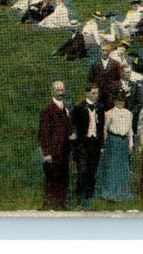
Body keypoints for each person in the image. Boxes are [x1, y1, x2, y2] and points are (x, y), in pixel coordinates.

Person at [95, 90, 134, 202]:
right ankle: (111, 192)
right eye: (118, 100)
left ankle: (123, 192)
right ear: (114, 101)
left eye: (122, 100)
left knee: (124, 167)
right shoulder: (109, 113)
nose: (120, 102)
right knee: (113, 167)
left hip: (124, 141)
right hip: (113, 141)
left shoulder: (128, 113)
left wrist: (130, 144)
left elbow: (130, 130)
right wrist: (104, 144)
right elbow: (105, 130)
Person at [38, 81, 71, 209]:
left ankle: (62, 202)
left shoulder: (66, 108)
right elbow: (43, 133)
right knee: (52, 177)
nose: (61, 93)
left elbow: (67, 127)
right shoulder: (48, 110)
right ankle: (50, 203)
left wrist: (71, 134)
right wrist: (46, 153)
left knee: (64, 176)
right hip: (53, 151)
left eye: (62, 90)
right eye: (58, 90)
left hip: (65, 150)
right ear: (52, 91)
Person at [70, 85, 105, 208]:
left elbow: (101, 128)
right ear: (87, 94)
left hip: (95, 143)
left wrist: (101, 145)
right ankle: (79, 196)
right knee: (82, 170)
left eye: (97, 93)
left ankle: (89, 197)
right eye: (93, 93)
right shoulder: (79, 108)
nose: (96, 96)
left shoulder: (100, 107)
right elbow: (73, 125)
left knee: (92, 170)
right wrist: (75, 138)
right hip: (83, 143)